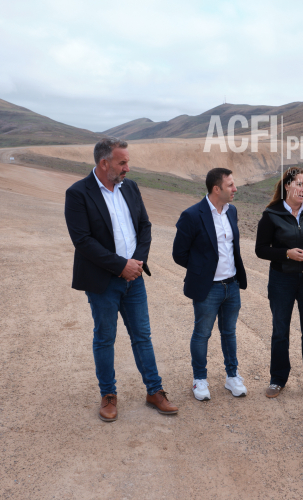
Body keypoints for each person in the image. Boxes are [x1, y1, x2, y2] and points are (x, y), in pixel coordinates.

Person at [64, 137, 178, 422]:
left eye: (128, 162)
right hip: (103, 282)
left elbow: (144, 226)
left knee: (142, 336)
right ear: (105, 163)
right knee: (105, 338)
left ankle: (154, 391)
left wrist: (136, 263)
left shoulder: (131, 187)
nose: (128, 167)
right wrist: (120, 266)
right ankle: (108, 395)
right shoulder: (78, 193)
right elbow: (83, 241)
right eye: (122, 162)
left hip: (134, 278)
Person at [255, 167, 303, 400]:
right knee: (280, 331)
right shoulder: (271, 214)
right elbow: (261, 249)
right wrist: (286, 254)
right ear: (287, 185)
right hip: (281, 279)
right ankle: (278, 379)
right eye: (299, 184)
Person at [172, 168, 248, 401]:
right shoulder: (192, 215)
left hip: (232, 285)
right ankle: (200, 379)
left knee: (229, 332)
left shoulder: (231, 211)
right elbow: (179, 254)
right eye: (230, 185)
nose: (235, 189)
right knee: (202, 334)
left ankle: (232, 376)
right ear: (217, 189)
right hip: (208, 289)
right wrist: (202, 272)